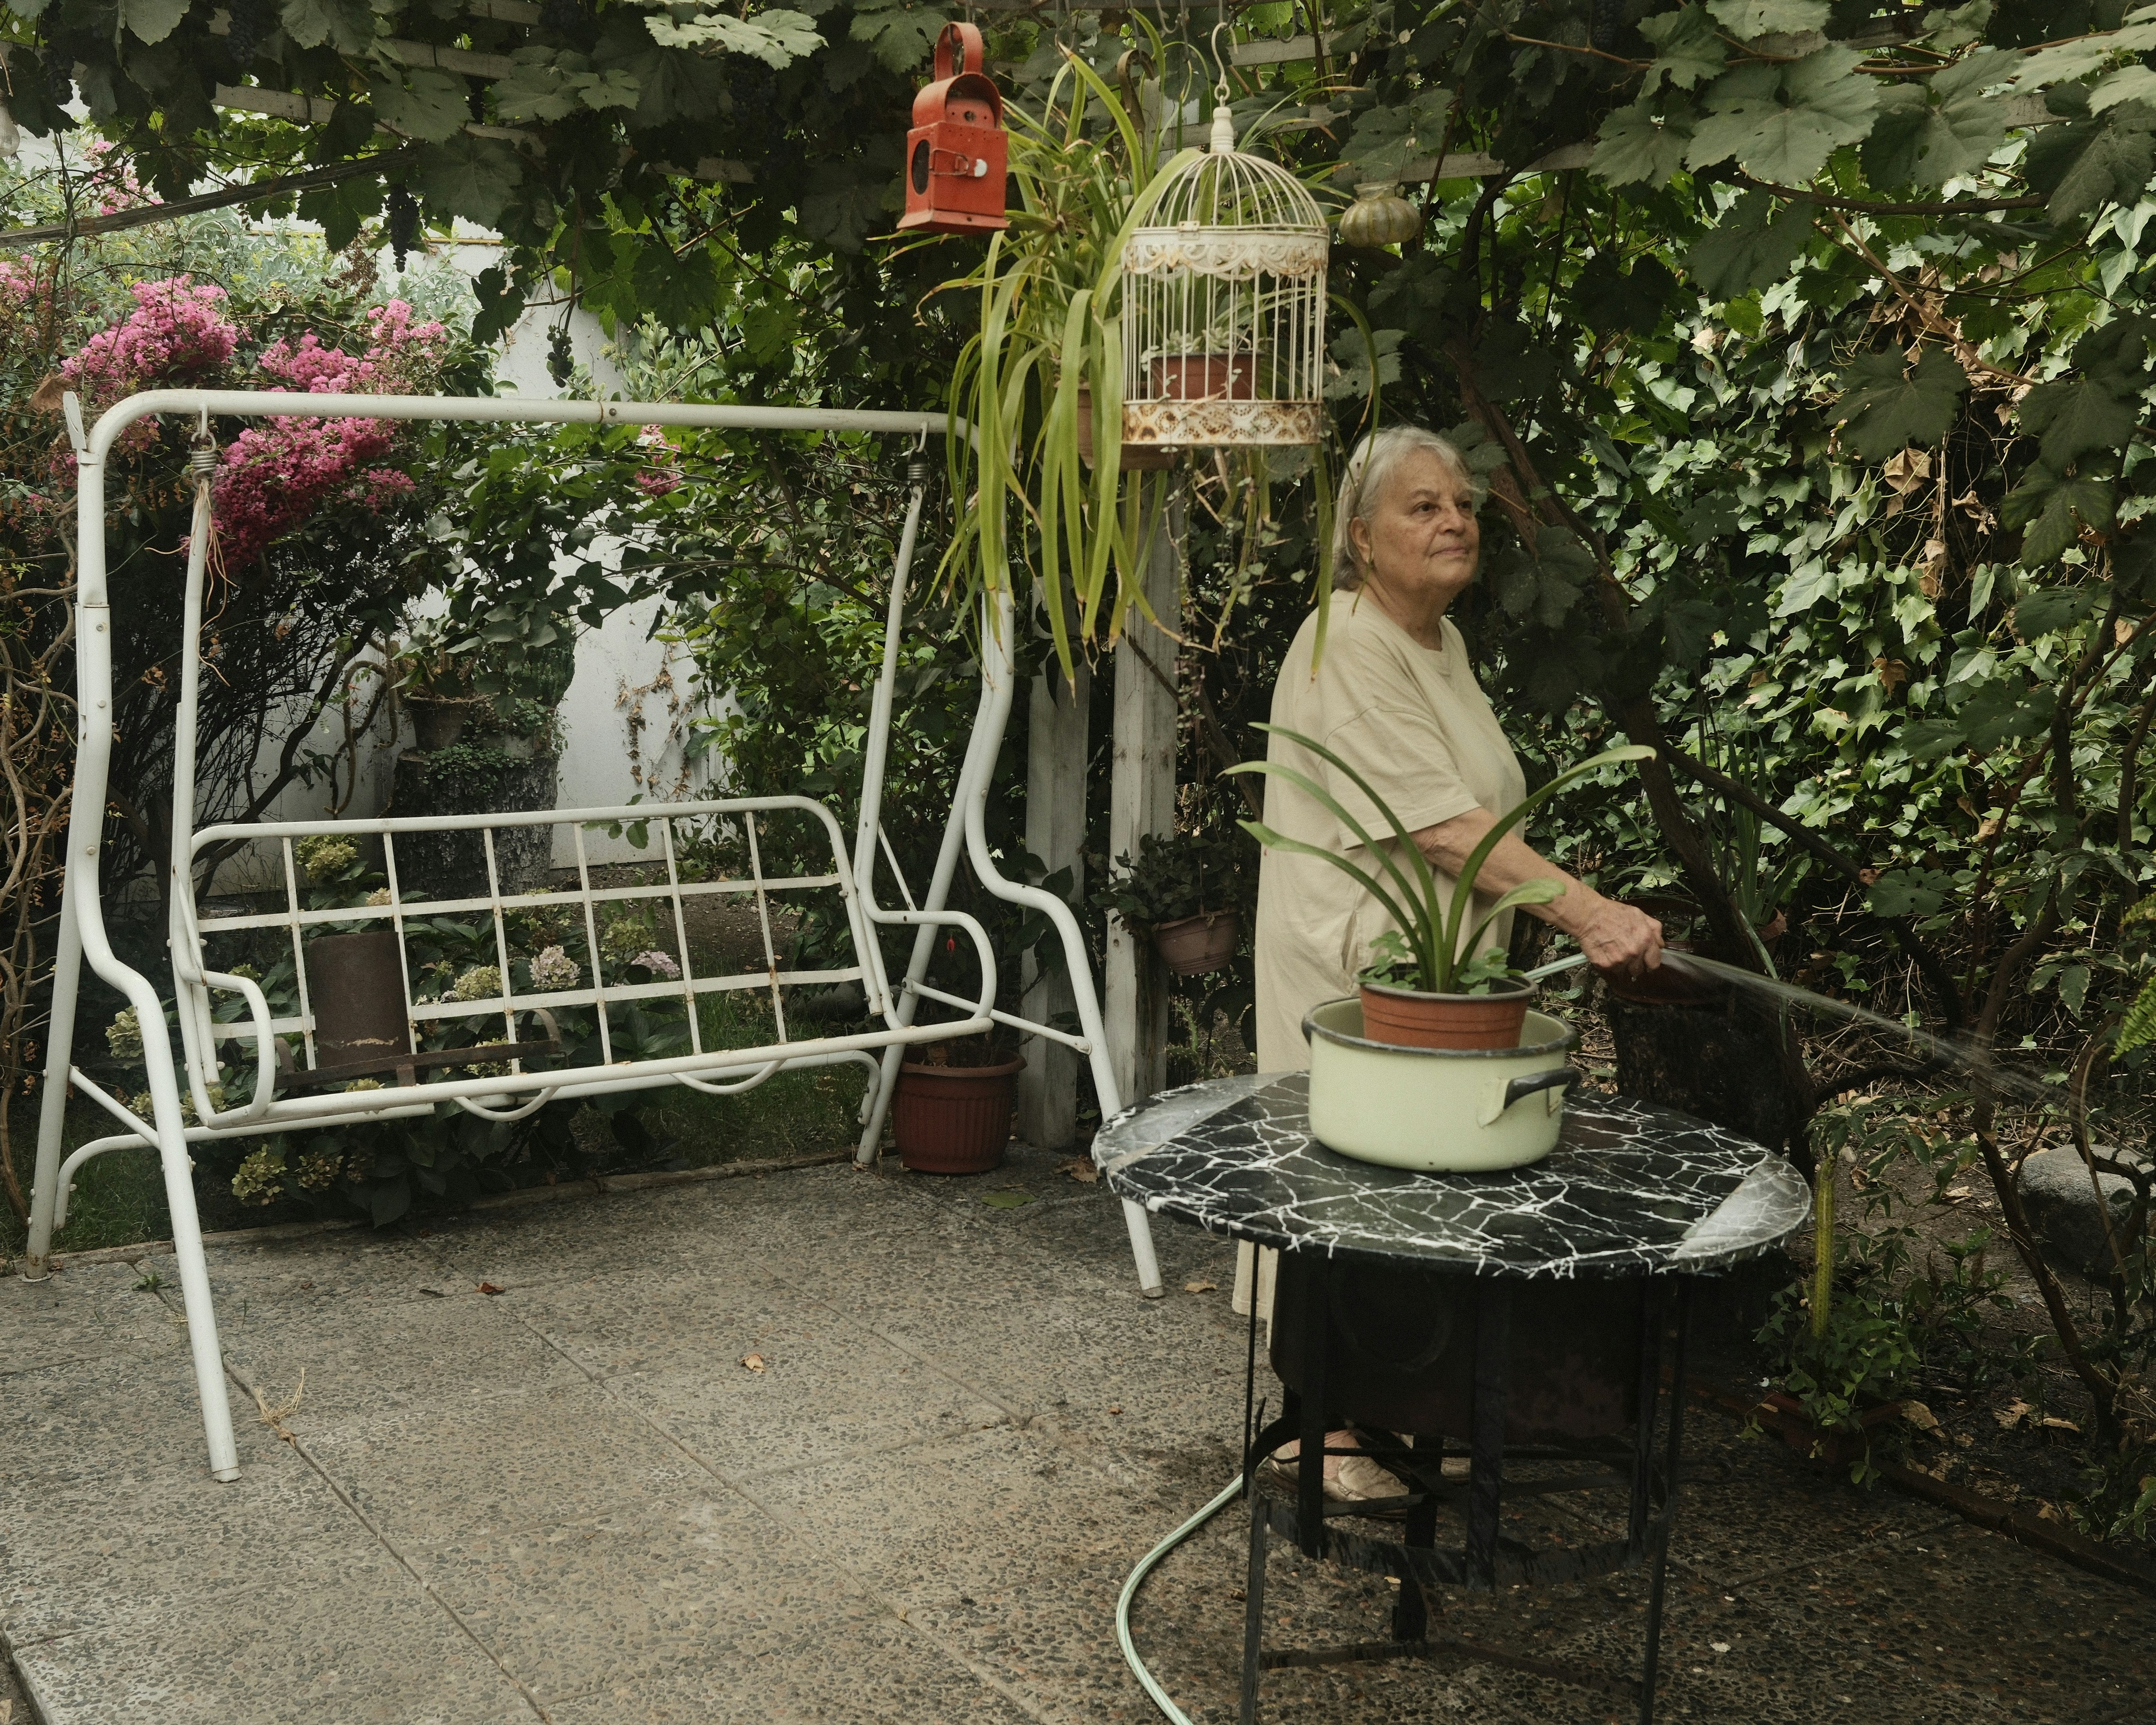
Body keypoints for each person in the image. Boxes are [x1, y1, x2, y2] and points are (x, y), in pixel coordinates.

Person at [1238, 424, 1664, 1499]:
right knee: (1347, 1176)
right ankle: (1327, 1428)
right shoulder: (1346, 639)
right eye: (1422, 506)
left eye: (1462, 504)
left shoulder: (1435, 641)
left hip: (1436, 970)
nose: (1454, 522)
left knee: (1414, 1176)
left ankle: (1402, 1404)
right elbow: (1440, 828)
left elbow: (1461, 806)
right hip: (1360, 956)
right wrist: (1589, 913)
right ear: (1361, 536)